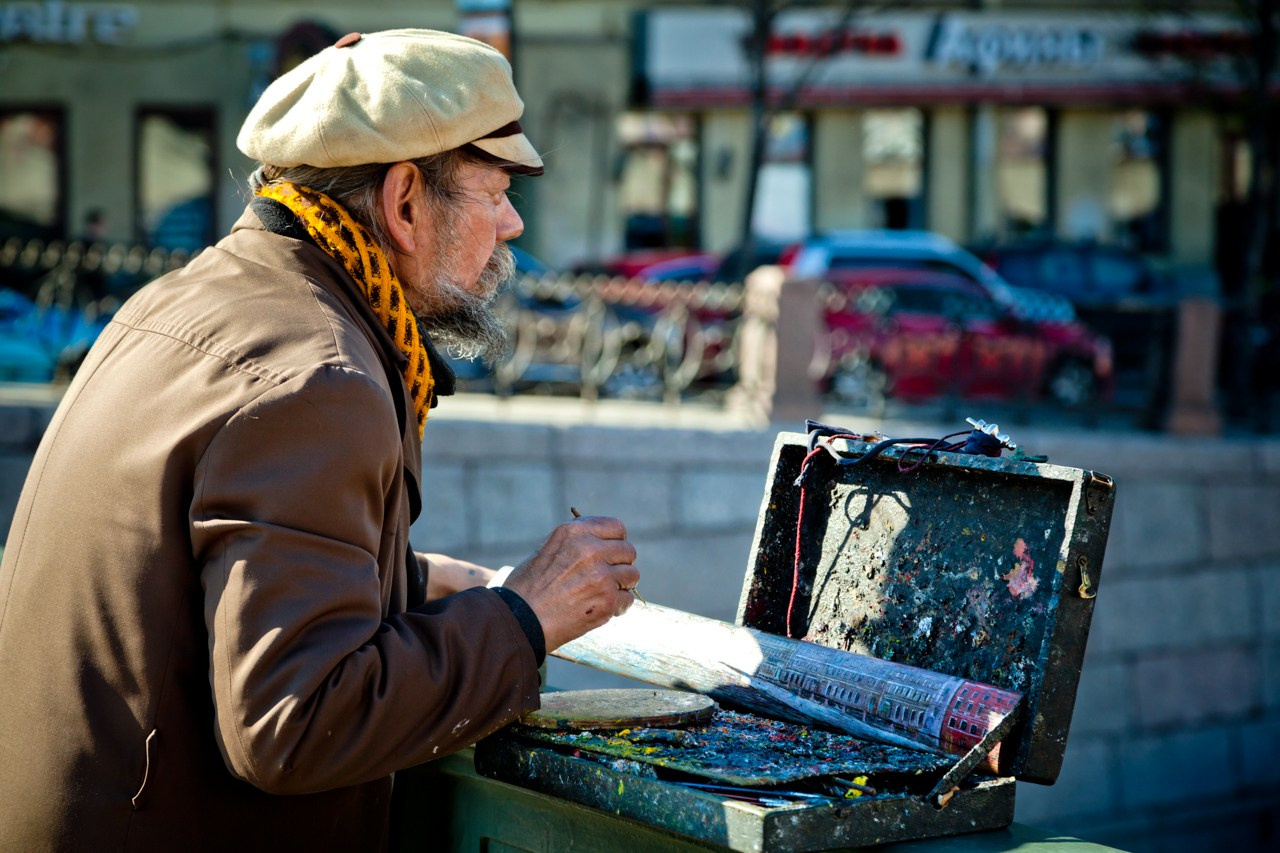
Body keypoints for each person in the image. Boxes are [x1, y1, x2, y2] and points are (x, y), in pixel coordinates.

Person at [0, 29, 639, 851]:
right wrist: (523, 619)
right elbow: (297, 722)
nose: (512, 225)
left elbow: (202, 589)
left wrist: (410, 579)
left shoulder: (184, 298)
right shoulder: (320, 376)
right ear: (405, 202)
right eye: (494, 192)